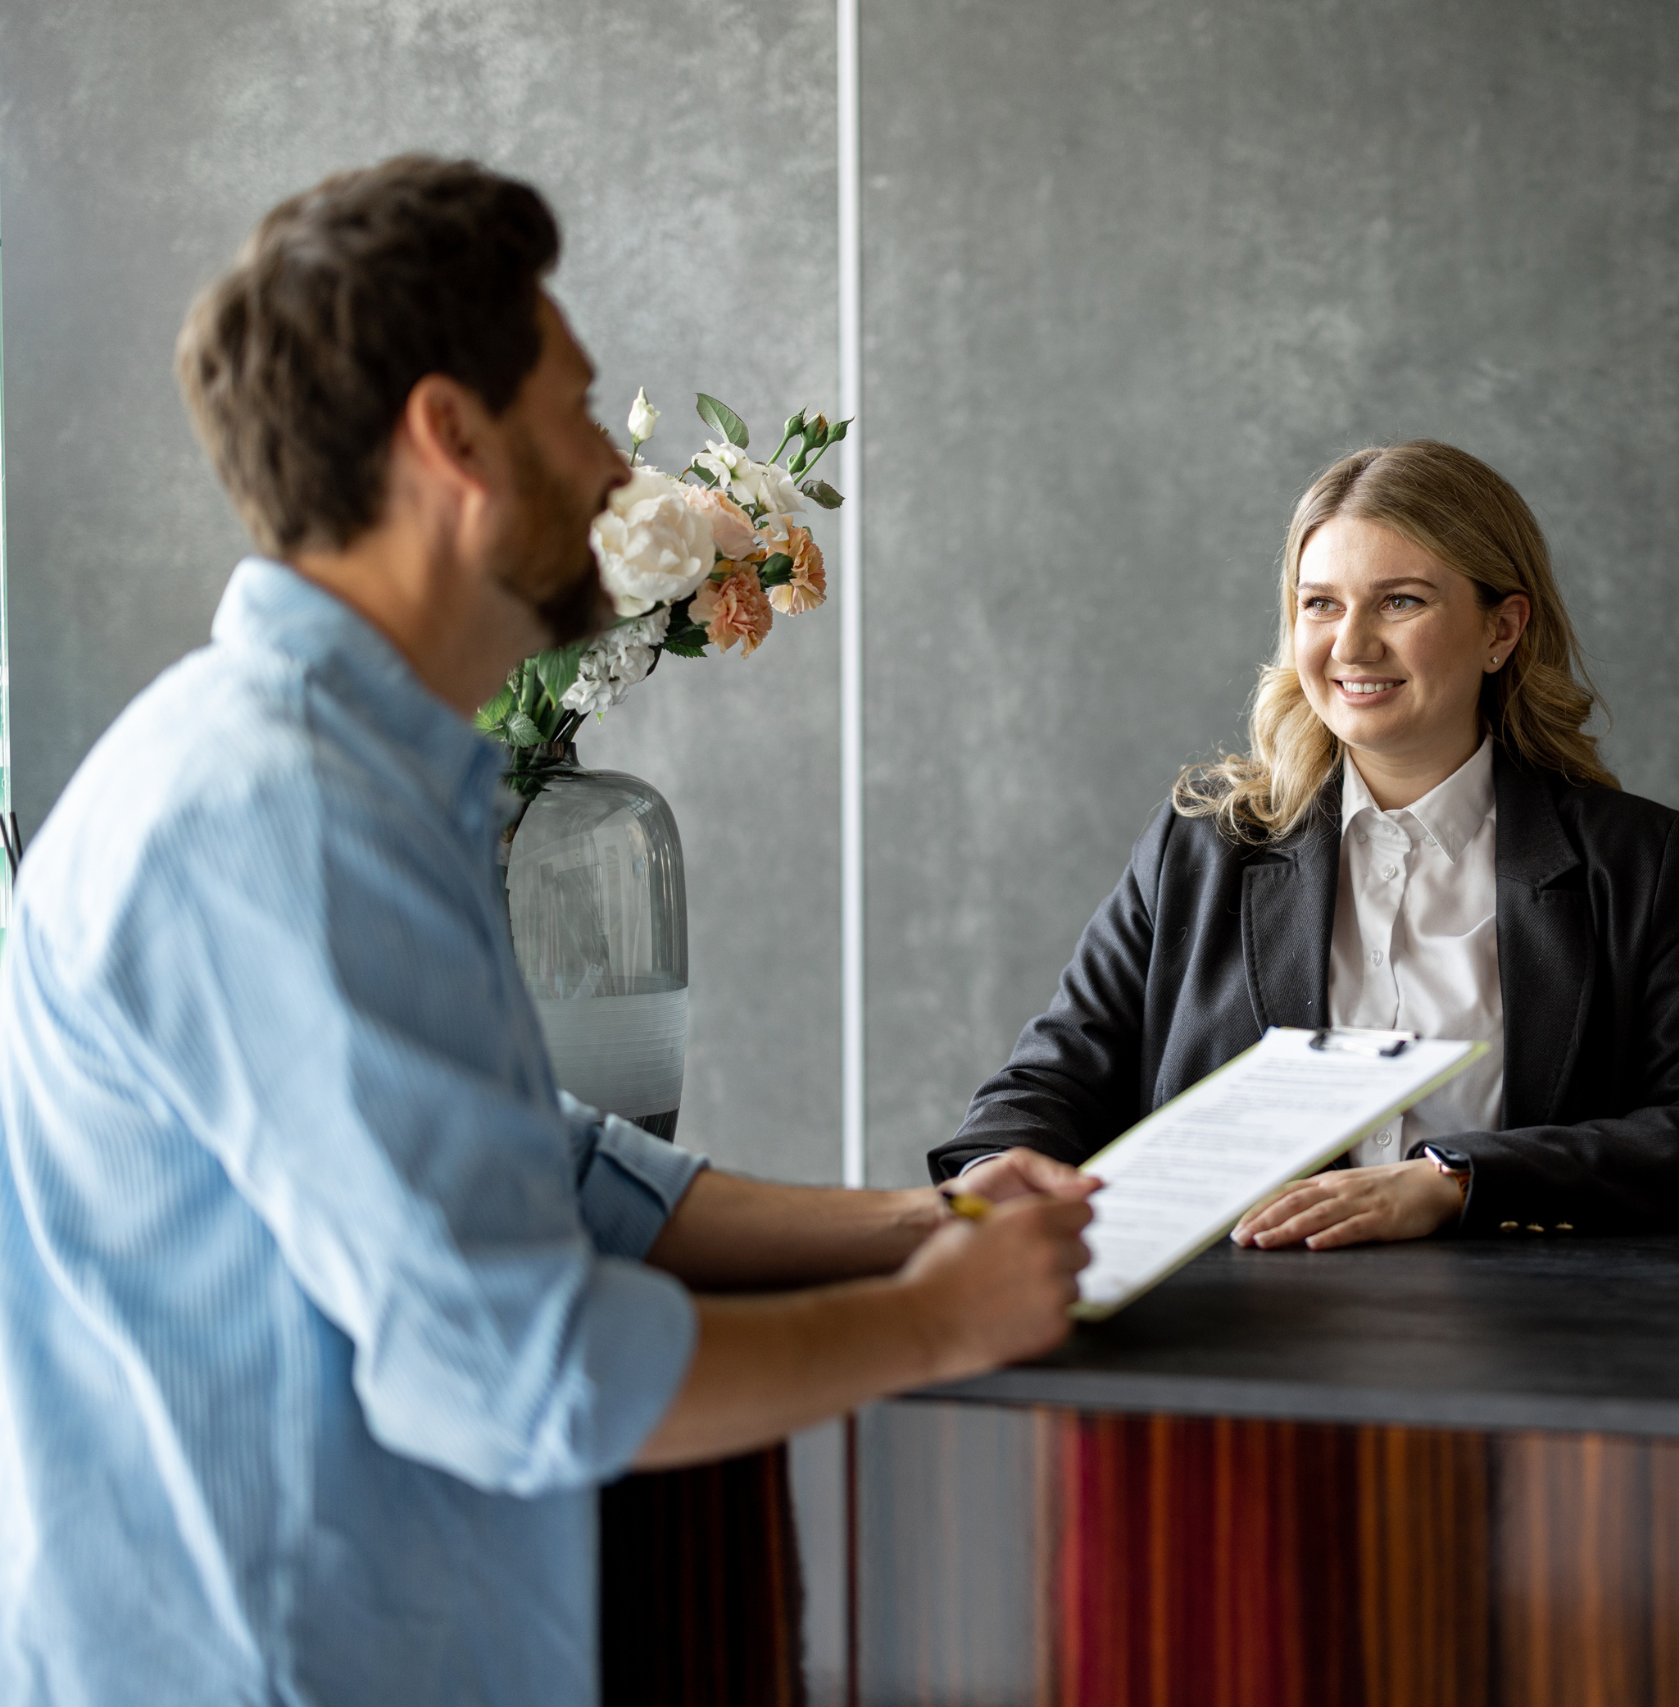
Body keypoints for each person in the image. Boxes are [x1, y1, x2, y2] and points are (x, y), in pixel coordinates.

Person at [0, 157, 1091, 1706]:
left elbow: (540, 1159)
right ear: (451, 436)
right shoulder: (275, 816)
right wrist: (927, 1326)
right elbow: (515, 1371)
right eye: (577, 411)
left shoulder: (344, 773)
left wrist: (925, 1221)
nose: (611, 472)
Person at [929, 439, 1679, 1247]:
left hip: (1526, 1358)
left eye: (1401, 600)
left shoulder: (1636, 862)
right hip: (1234, 1352)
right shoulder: (1200, 845)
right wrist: (994, 1175)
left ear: (1502, 629)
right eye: (1320, 604)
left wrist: (1453, 1182)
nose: (1351, 643)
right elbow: (1046, 1084)